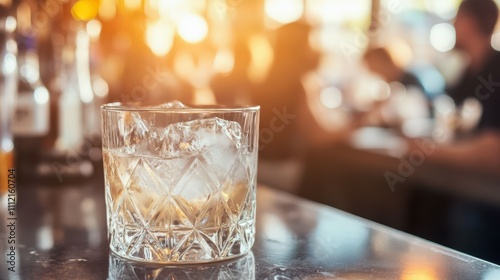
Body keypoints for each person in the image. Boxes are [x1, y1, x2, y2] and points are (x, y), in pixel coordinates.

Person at [407, 0, 500, 264]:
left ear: (469, 22)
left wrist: (428, 151)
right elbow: (451, 123)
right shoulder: (469, 71)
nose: (452, 25)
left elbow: (492, 152)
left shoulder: (497, 70)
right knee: (419, 200)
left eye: (456, 19)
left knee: (461, 219)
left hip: (489, 198)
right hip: (467, 185)